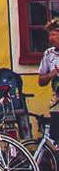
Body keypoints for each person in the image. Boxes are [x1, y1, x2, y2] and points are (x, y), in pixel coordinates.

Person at [37, 18, 59, 146]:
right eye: (49, 35)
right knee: (56, 141)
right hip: (56, 105)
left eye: (53, 34)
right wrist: (51, 74)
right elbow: (41, 81)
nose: (50, 38)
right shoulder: (49, 54)